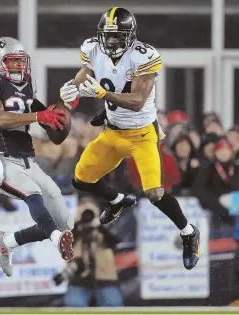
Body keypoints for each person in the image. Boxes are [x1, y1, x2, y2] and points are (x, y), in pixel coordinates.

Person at [59, 7, 200, 270]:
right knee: (81, 179)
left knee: (155, 193)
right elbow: (84, 74)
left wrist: (103, 95)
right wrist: (72, 91)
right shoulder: (92, 49)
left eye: (118, 37)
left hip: (142, 134)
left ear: (131, 36)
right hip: (112, 131)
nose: (111, 42)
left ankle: (189, 232)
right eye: (108, 36)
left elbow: (136, 101)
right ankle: (117, 201)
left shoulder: (143, 56)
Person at [0, 37, 74, 277]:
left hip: (29, 161)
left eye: (20, 61)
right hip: (2, 160)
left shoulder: (26, 83)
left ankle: (9, 241)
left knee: (65, 222)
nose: (18, 66)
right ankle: (57, 240)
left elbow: (49, 119)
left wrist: (64, 110)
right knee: (33, 195)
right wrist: (39, 118)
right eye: (12, 61)